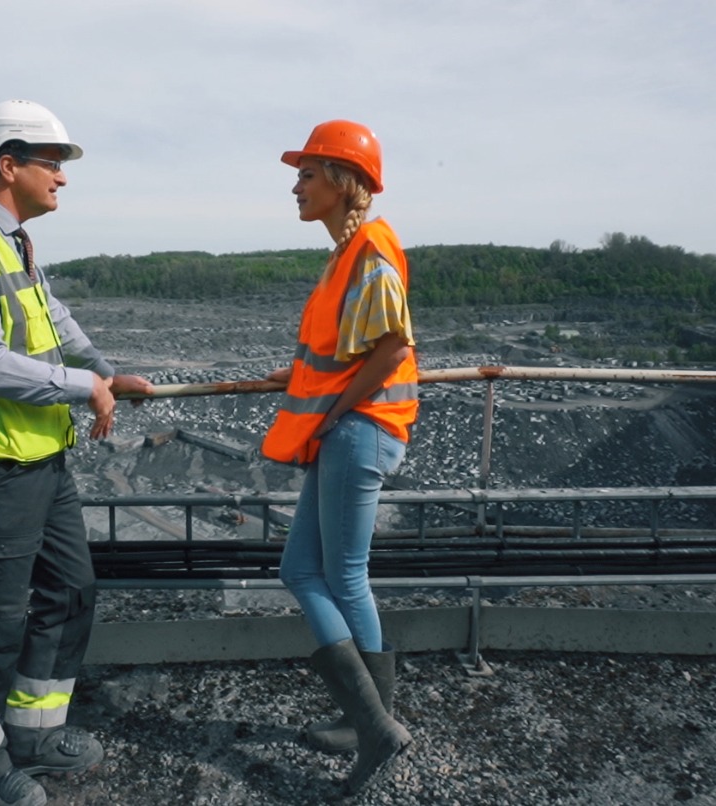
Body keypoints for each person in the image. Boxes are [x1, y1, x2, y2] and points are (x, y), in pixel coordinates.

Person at [0, 99, 152, 806]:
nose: (62, 178)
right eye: (52, 164)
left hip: (41, 463)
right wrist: (86, 388)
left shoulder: (16, 244)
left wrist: (107, 373)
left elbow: (57, 321)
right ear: (9, 165)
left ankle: (33, 731)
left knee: (70, 589)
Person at [261, 119, 418, 796]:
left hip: (358, 430)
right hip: (347, 427)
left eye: (306, 174)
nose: (295, 186)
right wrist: (295, 383)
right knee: (304, 567)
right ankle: (369, 719)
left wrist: (325, 412)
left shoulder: (370, 252)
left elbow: (391, 348)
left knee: (340, 575)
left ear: (341, 182)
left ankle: (375, 727)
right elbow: (341, 353)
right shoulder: (344, 254)